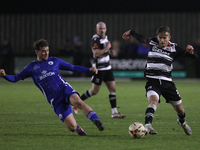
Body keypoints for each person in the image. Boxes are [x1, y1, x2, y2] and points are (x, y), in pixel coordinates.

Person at [0, 39, 104, 136]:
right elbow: (15, 78)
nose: (46, 53)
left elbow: (72, 67)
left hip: (64, 89)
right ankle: (77, 128)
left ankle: (96, 120)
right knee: (71, 127)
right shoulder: (31, 68)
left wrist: (89, 69)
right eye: (43, 51)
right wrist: (5, 75)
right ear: (37, 52)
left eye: (47, 50)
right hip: (55, 99)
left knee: (79, 102)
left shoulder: (54, 60)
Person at [122, 25, 198, 135]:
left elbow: (194, 56)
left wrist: (191, 51)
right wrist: (131, 32)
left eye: (164, 37)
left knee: (180, 110)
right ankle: (148, 125)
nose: (162, 40)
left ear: (169, 37)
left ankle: (182, 122)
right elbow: (141, 38)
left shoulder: (174, 48)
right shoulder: (152, 42)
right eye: (160, 37)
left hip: (168, 83)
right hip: (153, 81)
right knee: (153, 102)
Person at [73, 22, 126, 118]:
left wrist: (109, 51)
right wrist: (107, 47)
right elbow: (96, 54)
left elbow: (103, 51)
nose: (102, 30)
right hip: (99, 69)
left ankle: (114, 112)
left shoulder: (105, 37)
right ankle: (77, 103)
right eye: (100, 28)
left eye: (104, 28)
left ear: (106, 29)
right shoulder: (95, 39)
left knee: (112, 89)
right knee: (94, 91)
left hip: (107, 67)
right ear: (96, 29)